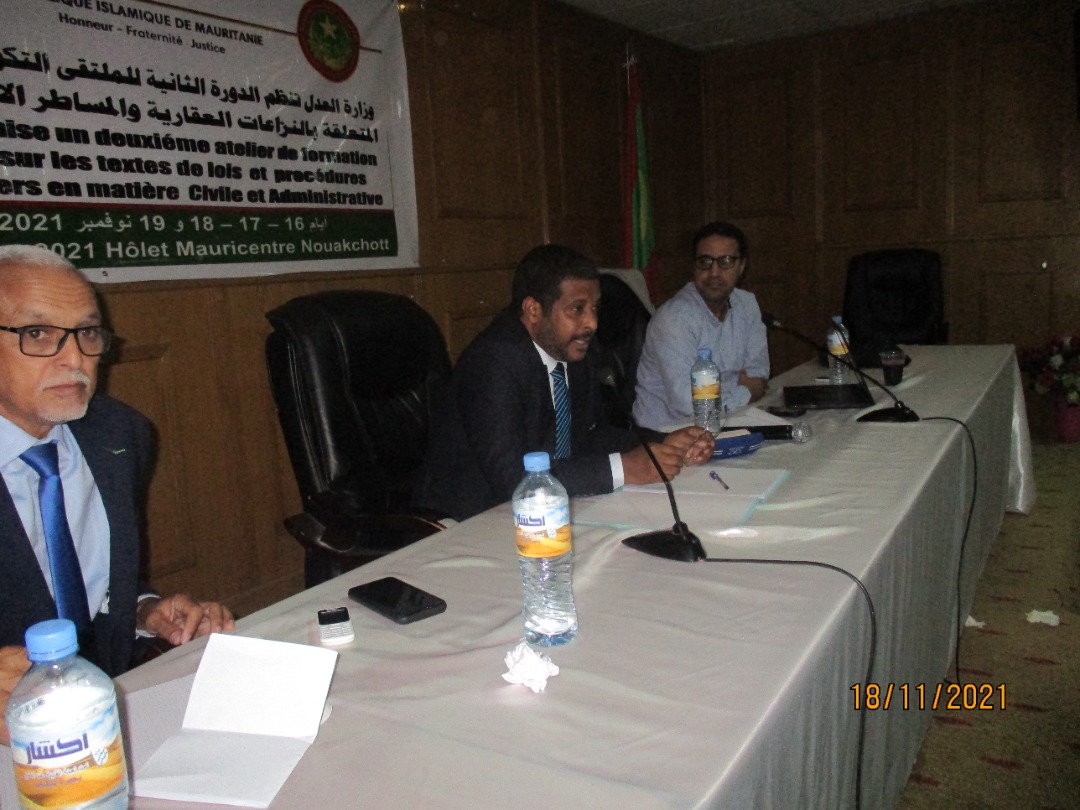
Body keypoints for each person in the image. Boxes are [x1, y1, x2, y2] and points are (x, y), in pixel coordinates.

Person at [0, 245, 234, 745]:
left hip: (106, 723)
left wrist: (142, 609)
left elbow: (80, 578)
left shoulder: (117, 434)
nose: (74, 359)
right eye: (37, 333)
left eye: (87, 333)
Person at [415, 244, 714, 522]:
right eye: (577, 309)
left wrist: (659, 443)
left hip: (546, 510)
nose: (592, 323)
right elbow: (512, 480)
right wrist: (624, 468)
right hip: (470, 519)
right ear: (533, 311)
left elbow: (589, 436)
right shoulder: (493, 361)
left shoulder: (573, 350)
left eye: (595, 308)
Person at [632, 221, 770, 431]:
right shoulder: (674, 319)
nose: (714, 272)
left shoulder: (747, 304)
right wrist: (745, 391)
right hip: (668, 434)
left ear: (742, 266)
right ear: (694, 266)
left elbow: (759, 372)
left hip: (729, 420)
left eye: (725, 261)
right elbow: (690, 405)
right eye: (705, 262)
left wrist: (741, 390)